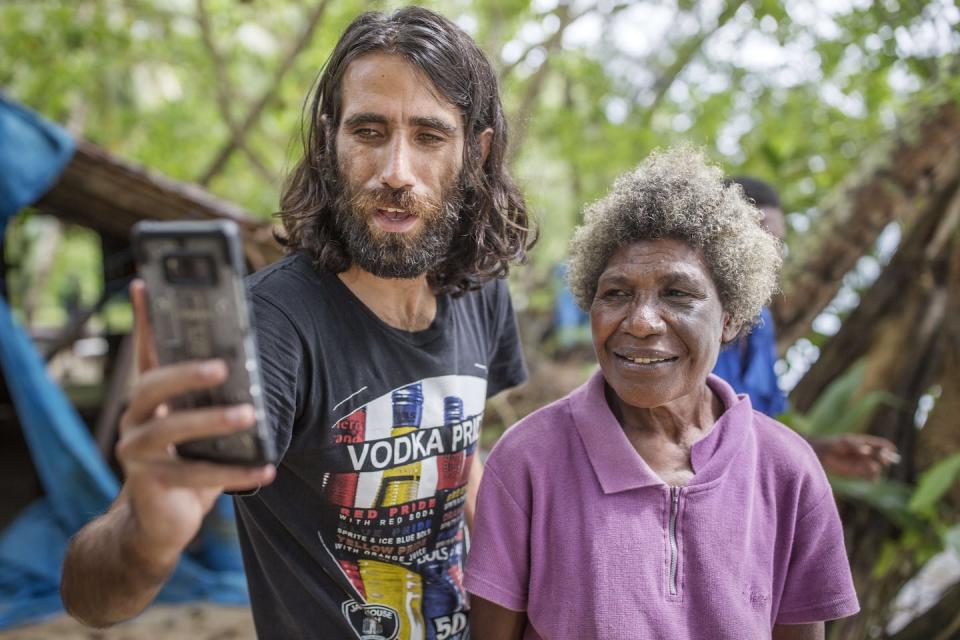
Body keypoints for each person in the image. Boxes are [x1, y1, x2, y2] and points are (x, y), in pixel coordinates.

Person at [60, 8, 533, 639]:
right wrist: (146, 537)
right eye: (369, 131)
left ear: (474, 152)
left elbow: (462, 455)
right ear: (331, 139)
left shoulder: (482, 292)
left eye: (429, 136)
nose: (396, 171)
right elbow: (92, 602)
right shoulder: (270, 328)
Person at [465, 147, 860, 640]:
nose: (642, 321)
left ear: (731, 317)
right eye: (616, 293)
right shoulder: (528, 460)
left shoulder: (788, 471)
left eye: (678, 293)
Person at [717, 176, 898, 480]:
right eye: (761, 237)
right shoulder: (679, 319)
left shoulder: (761, 324)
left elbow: (759, 430)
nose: (773, 255)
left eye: (779, 242)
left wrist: (820, 450)